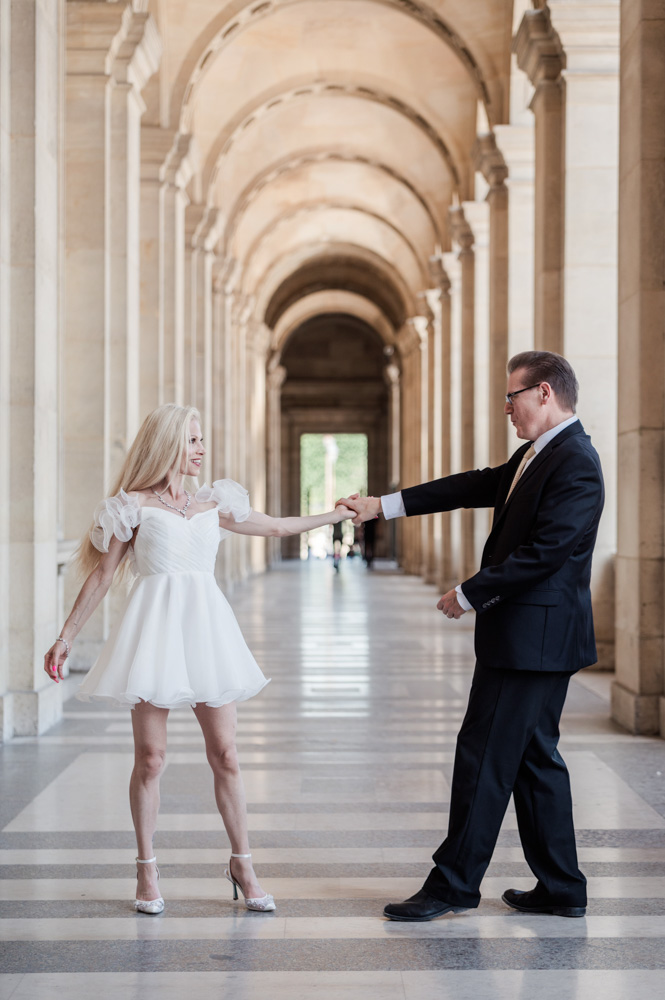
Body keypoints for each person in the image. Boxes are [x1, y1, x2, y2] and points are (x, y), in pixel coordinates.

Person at [44, 403, 354, 916]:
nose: (201, 449)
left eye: (201, 440)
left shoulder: (215, 503)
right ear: (168, 445)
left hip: (208, 634)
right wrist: (65, 636)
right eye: (192, 441)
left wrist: (336, 514)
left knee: (227, 754)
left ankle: (243, 863)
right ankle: (146, 869)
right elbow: (101, 577)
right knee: (151, 759)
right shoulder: (132, 507)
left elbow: (277, 527)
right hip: (153, 637)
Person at [338, 351, 604, 922]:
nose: (506, 407)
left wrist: (470, 592)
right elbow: (474, 485)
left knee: (483, 756)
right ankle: (562, 885)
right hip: (531, 638)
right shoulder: (540, 453)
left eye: (512, 396)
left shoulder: (575, 461)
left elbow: (545, 553)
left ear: (545, 394)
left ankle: (454, 884)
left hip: (533, 641)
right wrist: (382, 506)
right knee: (535, 759)